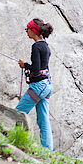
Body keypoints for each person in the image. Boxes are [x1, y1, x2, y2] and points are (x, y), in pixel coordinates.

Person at [16, 19, 54, 150]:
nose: (26, 31)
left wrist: (24, 65)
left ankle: (9, 139)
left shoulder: (36, 46)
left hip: (38, 87)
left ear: (34, 30)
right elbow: (44, 68)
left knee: (17, 113)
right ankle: (48, 150)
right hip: (47, 86)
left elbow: (36, 68)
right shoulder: (46, 46)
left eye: (28, 29)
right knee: (44, 120)